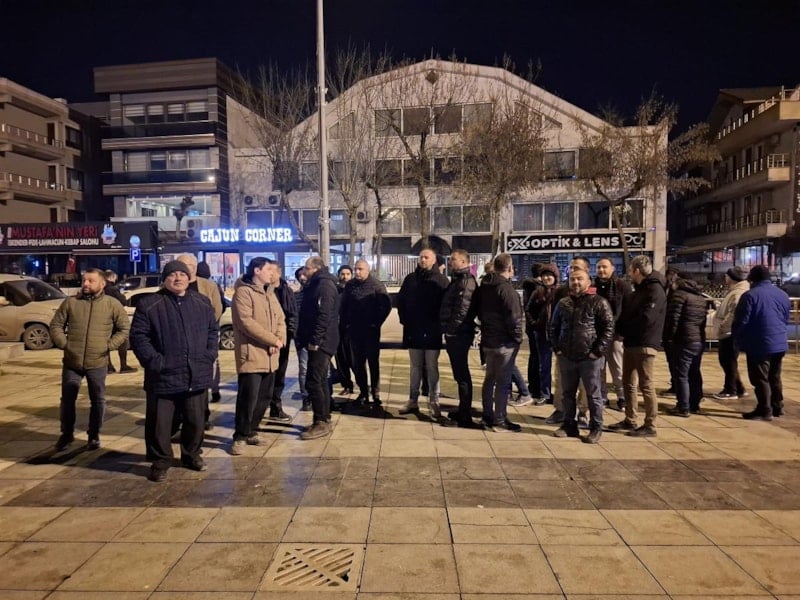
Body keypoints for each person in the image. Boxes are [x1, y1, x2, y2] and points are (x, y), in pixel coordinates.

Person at [129, 261, 219, 482]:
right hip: (163, 376)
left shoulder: (201, 302)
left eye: (182, 274)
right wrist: (156, 362)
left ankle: (192, 455)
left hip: (196, 373)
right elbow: (139, 338)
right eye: (173, 274)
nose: (178, 278)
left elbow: (212, 331)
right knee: (160, 424)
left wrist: (208, 355)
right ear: (165, 279)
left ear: (189, 278)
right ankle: (161, 461)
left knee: (195, 420)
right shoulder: (150, 304)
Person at [49, 268, 131, 451]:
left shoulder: (111, 304)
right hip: (72, 361)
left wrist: (108, 346)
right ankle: (66, 434)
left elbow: (124, 328)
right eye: (84, 280)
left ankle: (93, 435)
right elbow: (56, 325)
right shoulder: (71, 302)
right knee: (68, 400)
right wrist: (65, 344)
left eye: (91, 281)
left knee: (98, 400)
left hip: (97, 362)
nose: (85, 284)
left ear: (102, 283)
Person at [550, 266, 614, 443]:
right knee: (567, 394)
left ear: (588, 282)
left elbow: (608, 328)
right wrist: (557, 349)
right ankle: (569, 425)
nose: (576, 282)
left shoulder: (599, 302)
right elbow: (553, 327)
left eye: (580, 279)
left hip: (590, 358)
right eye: (572, 279)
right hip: (567, 356)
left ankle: (596, 427)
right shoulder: (563, 303)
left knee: (593, 395)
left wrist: (597, 352)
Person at [230, 258, 286, 455]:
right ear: (256, 270)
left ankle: (252, 430)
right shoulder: (243, 292)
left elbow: (281, 319)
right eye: (268, 269)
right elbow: (247, 323)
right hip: (252, 354)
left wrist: (278, 339)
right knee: (248, 397)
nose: (272, 273)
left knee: (264, 396)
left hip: (271, 355)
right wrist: (272, 340)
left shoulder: (270, 293)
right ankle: (240, 436)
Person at [608, 255, 666, 437]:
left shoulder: (655, 290)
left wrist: (626, 329)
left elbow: (646, 318)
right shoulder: (639, 289)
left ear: (637, 271)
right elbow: (626, 314)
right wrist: (621, 330)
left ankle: (650, 424)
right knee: (628, 382)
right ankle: (630, 418)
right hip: (631, 342)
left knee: (646, 384)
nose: (629, 274)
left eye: (630, 270)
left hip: (645, 343)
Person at [471, 253, 524, 432]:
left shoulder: (485, 287)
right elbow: (514, 318)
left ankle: (487, 415)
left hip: (489, 340)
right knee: (502, 382)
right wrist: (517, 338)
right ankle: (500, 418)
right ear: (509, 268)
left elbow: (479, 311)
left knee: (489, 379)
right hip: (504, 342)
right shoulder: (506, 290)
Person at [733, 265, 790, 421]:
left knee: (760, 377)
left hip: (759, 342)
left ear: (752, 278)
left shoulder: (750, 296)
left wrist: (737, 338)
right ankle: (777, 406)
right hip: (779, 341)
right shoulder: (782, 294)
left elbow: (741, 321)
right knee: (775, 376)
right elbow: (785, 317)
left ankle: (764, 409)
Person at [396, 248, 449, 419]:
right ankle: (413, 399)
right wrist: (404, 319)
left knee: (432, 366)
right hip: (414, 330)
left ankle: (434, 400)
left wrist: (440, 325)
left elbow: (446, 307)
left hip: (432, 331)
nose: (423, 260)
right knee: (415, 367)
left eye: (426, 257)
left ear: (434, 260)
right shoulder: (411, 279)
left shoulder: (441, 281)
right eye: (421, 257)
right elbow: (401, 300)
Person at [176, 254, 223, 430]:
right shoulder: (172, 284)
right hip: (178, 341)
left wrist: (204, 330)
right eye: (181, 265)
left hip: (201, 339)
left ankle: (203, 417)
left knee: (201, 381)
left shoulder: (208, 286)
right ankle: (180, 417)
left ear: (195, 267)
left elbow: (217, 309)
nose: (183, 270)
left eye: (188, 265)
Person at [296, 256, 340, 439]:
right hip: (317, 339)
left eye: (306, 268)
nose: (303, 271)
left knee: (314, 381)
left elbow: (324, 314)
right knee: (319, 380)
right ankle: (323, 418)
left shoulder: (324, 285)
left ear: (315, 268)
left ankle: (321, 421)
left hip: (322, 342)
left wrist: (316, 339)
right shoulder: (316, 284)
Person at [340, 259, 392, 405]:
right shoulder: (350, 285)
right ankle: (363, 391)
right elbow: (344, 306)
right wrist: (346, 324)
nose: (357, 272)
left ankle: (375, 392)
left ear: (367, 270)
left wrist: (376, 322)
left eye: (360, 269)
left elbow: (386, 306)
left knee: (373, 363)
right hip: (354, 331)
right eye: (356, 269)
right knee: (358, 363)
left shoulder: (376, 285)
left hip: (371, 331)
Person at [438, 249, 479, 427]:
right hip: (457, 333)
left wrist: (451, 331)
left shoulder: (466, 282)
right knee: (459, 373)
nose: (450, 262)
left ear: (463, 262)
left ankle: (465, 415)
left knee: (462, 374)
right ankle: (463, 409)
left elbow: (462, 310)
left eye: (453, 259)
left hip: (459, 334)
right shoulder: (459, 280)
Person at [663, 273, 707, 417]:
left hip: (683, 340)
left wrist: (669, 338)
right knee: (695, 372)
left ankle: (683, 406)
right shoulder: (700, 297)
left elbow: (673, 320)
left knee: (681, 374)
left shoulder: (679, 296)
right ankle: (695, 404)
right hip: (698, 340)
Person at [594, 258, 630, 409]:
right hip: (597, 335)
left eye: (604, 267)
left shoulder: (622, 286)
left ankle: (622, 397)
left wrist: (622, 332)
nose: (601, 270)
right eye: (598, 267)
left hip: (616, 334)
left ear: (613, 268)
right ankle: (602, 397)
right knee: (599, 369)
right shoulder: (593, 286)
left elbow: (628, 310)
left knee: (618, 368)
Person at [526, 263, 560, 419]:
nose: (547, 278)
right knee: (543, 365)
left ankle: (560, 395)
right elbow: (528, 310)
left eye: (549, 275)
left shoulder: (561, 292)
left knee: (561, 368)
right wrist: (535, 324)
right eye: (544, 275)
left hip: (558, 335)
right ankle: (544, 393)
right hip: (542, 334)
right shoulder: (538, 292)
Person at [711, 266, 750, 400]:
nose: (725, 277)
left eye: (727, 275)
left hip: (729, 333)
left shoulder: (738, 293)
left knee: (728, 361)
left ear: (733, 278)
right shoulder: (735, 291)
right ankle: (738, 388)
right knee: (728, 361)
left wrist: (723, 326)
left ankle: (730, 389)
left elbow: (733, 313)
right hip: (728, 332)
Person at [270, 263, 298, 421]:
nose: (270, 274)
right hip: (267, 338)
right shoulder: (262, 290)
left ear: (279, 273)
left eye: (272, 271)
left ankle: (276, 405)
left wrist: (290, 333)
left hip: (283, 338)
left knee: (280, 374)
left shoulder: (286, 290)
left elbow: (292, 313)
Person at [196, 260, 225, 402]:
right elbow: (220, 307)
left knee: (209, 360)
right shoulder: (214, 285)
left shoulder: (209, 286)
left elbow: (218, 307)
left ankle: (210, 389)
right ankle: (214, 389)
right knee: (213, 360)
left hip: (207, 329)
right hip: (212, 328)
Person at [103, 269, 137, 374]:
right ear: (111, 277)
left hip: (104, 318)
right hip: (115, 318)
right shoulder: (113, 289)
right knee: (122, 340)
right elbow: (123, 301)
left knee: (106, 342)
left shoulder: (100, 289)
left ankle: (109, 366)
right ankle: (123, 365)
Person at [520, 263, 544, 404]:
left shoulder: (528, 286)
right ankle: (537, 388)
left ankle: (533, 386)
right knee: (538, 358)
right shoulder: (537, 287)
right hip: (537, 326)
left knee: (534, 356)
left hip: (531, 326)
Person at [334, 265, 355, 395]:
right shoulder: (335, 291)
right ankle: (347, 385)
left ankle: (363, 385)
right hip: (337, 330)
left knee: (354, 360)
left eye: (348, 274)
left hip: (352, 331)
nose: (345, 277)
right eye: (342, 274)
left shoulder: (355, 290)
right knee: (341, 360)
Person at [293, 266, 310, 410]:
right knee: (304, 368)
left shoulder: (319, 292)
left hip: (318, 337)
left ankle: (325, 397)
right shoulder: (296, 296)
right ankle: (306, 398)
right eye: (300, 276)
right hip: (301, 337)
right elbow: (293, 316)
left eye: (304, 274)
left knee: (324, 370)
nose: (302, 278)